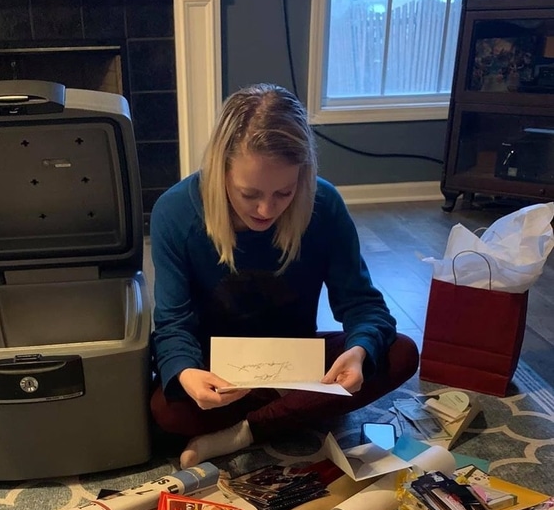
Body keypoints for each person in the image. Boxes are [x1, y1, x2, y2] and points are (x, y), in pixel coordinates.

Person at [149, 83, 419, 469]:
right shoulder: (175, 212)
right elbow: (173, 321)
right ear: (220, 170)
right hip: (219, 369)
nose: (265, 209)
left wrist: (358, 351)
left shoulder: (323, 204)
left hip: (297, 363)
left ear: (303, 177)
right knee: (168, 409)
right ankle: (296, 410)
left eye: (284, 193)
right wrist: (188, 372)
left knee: (399, 352)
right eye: (249, 193)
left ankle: (242, 433)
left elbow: (362, 303)